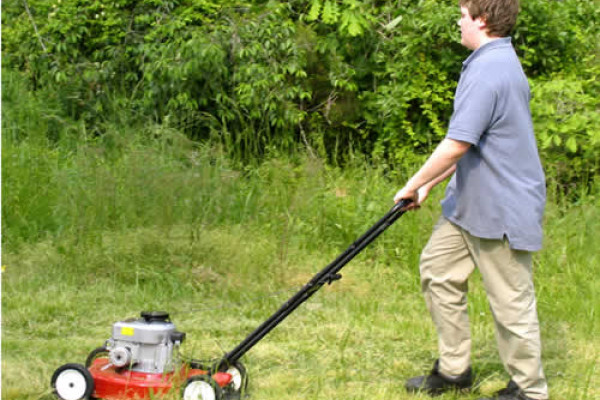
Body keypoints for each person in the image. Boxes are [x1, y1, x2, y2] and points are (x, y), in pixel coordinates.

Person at [393, 1, 549, 399]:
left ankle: (530, 390)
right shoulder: (488, 62)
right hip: (468, 205)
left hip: (501, 209)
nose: (458, 22)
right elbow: (475, 142)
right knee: (438, 271)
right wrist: (430, 186)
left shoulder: (491, 70)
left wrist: (413, 183)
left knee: (511, 303)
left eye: (462, 14)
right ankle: (454, 370)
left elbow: (457, 143)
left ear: (481, 20)